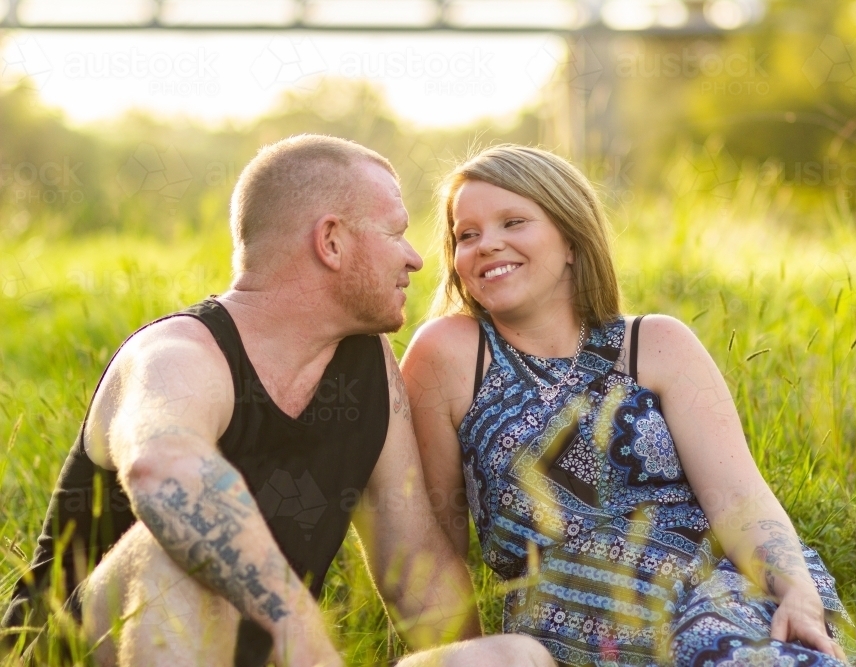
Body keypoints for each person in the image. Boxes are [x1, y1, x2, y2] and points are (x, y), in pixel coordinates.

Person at [1, 135, 555, 667]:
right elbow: (162, 470)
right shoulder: (179, 353)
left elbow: (415, 568)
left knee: (512, 657)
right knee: (175, 553)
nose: (415, 258)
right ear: (331, 241)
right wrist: (297, 624)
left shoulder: (365, 363)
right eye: (395, 233)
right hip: (72, 652)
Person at [401, 145, 856, 666]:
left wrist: (799, 592)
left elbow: (739, 497)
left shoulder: (657, 344)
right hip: (573, 630)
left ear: (571, 240)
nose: (487, 244)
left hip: (720, 593)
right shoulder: (446, 354)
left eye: (512, 222)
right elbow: (435, 540)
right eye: (466, 235)